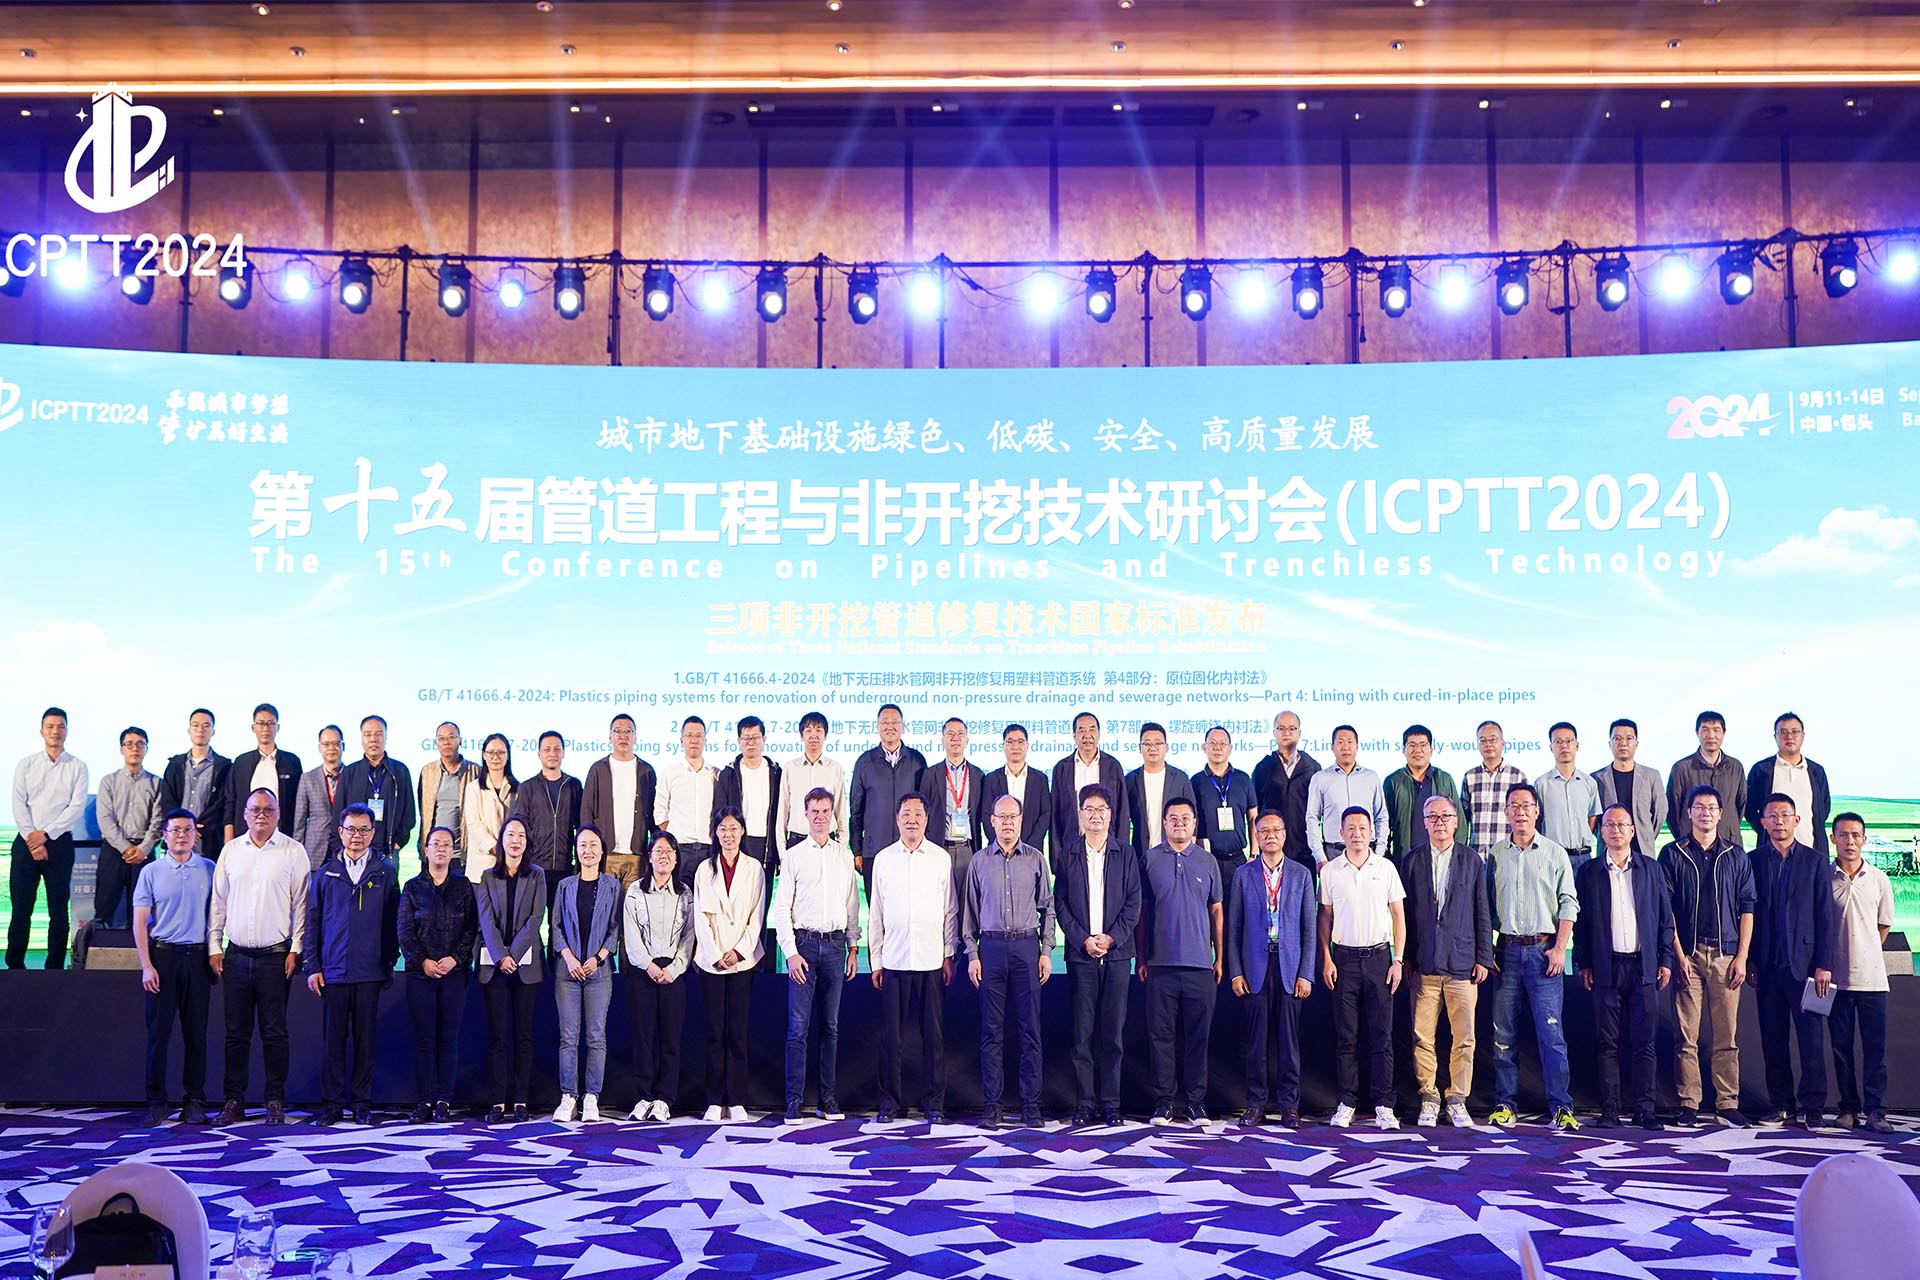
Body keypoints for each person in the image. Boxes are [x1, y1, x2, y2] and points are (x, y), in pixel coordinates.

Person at [208, 787, 309, 1125]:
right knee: (236, 1035)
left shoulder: (293, 851)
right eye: (255, 810)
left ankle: (274, 1100)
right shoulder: (231, 851)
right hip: (236, 956)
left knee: (274, 1033)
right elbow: (218, 901)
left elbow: (302, 905)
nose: (261, 815)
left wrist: (297, 948)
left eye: (268, 810)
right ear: (245, 814)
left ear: (278, 814)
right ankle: (233, 1101)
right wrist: (214, 945)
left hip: (276, 958)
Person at [1575, 804, 1677, 1130]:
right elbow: (1581, 923)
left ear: (1633, 831)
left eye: (1622, 824)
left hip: (1643, 966)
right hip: (1605, 967)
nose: (1616, 830)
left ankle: (1645, 1109)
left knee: (1644, 1043)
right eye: (1609, 825)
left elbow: (1665, 919)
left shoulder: (1651, 869)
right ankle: (1610, 1109)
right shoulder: (1589, 872)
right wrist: (1584, 962)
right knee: (1607, 1043)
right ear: (1601, 831)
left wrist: (1665, 959)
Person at [1660, 784, 1756, 1127]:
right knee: (1686, 1036)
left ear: (1720, 813)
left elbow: (1747, 908)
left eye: (1711, 807)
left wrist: (1741, 957)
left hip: (1726, 956)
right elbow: (1666, 910)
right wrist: (1678, 955)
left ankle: (1727, 1102)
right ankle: (1689, 1102)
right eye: (1699, 807)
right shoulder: (1672, 854)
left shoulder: (1736, 855)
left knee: (1726, 1037)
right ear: (1688, 812)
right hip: (1687, 954)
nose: (1705, 812)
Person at [1485, 782, 1580, 1131]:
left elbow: (1569, 902)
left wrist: (1559, 948)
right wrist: (1487, 949)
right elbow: (1485, 908)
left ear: (1537, 811)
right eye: (1514, 806)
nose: (1520, 812)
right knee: (1503, 1034)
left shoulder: (1555, 853)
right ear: (1506, 813)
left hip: (1544, 954)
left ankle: (1561, 1106)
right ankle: (1504, 1105)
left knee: (1551, 1035)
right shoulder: (1496, 854)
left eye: (1526, 806)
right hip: (1506, 953)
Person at [305, 802, 400, 1126]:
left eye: (363, 830)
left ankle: (361, 1103)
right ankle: (331, 1104)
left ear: (372, 834)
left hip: (369, 972)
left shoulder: (385, 873)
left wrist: (388, 962)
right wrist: (313, 966)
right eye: (351, 829)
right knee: (333, 1043)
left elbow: (392, 924)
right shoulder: (325, 873)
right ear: (340, 832)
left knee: (365, 1042)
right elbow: (313, 922)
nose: (356, 836)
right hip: (333, 972)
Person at [1399, 794, 1491, 1128]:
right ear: (1424, 823)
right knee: (1422, 1037)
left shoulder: (1472, 860)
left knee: (1464, 1038)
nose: (1439, 822)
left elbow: (1482, 911)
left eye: (1445, 816)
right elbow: (1404, 915)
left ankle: (1457, 1099)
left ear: (1456, 822)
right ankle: (1429, 1097)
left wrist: (1484, 957)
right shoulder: (1411, 861)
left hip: (1462, 964)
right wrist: (1405, 958)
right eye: (1432, 817)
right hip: (1424, 964)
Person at [964, 794, 1054, 1129]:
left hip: (1027, 949)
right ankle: (992, 1107)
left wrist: (1046, 950)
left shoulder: (1035, 859)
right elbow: (969, 914)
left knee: (1030, 1030)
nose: (1007, 823)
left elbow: (1048, 907)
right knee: (991, 1031)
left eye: (1012, 816)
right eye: (1001, 817)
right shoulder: (978, 862)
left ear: (1021, 819)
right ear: (991, 821)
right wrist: (972, 954)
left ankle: (1031, 1106)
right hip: (991, 949)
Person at [771, 787, 860, 1122]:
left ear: (833, 816)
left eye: (826, 811)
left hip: (836, 948)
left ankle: (828, 1099)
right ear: (805, 815)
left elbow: (852, 906)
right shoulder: (794, 856)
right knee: (798, 1028)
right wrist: (790, 953)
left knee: (831, 1028)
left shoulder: (843, 856)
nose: (820, 817)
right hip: (804, 947)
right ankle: (794, 1100)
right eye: (815, 811)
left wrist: (853, 947)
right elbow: (782, 909)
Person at [868, 792, 957, 1123]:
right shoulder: (884, 859)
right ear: (897, 819)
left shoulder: (939, 859)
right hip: (894, 961)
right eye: (906, 814)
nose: (912, 820)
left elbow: (950, 910)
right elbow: (876, 913)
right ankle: (889, 1103)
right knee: (891, 1039)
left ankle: (934, 1103)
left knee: (933, 1038)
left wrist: (948, 954)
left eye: (918, 814)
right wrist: (876, 960)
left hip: (931, 960)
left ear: (927, 819)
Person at [1054, 783, 1140, 1127]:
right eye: (1088, 809)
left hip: (1116, 956)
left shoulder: (1126, 853)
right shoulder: (1068, 854)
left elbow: (1134, 902)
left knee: (1113, 1036)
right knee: (1082, 1035)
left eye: (1101, 809)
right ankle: (1085, 1103)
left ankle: (1111, 1105)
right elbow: (1060, 904)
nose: (1095, 815)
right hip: (1081, 956)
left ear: (1111, 814)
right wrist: (1082, 940)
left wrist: (1112, 938)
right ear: (1080, 814)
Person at [1748, 793, 1834, 1127]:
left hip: (1806, 966)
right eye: (1772, 815)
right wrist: (1750, 960)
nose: (1779, 821)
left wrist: (1824, 964)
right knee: (1773, 1039)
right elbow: (1748, 913)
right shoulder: (1753, 861)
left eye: (1785, 815)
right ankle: (1781, 1104)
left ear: (1797, 820)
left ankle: (1813, 1107)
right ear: (1763, 822)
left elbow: (1825, 916)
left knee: (1811, 1041)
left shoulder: (1815, 861)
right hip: (1767, 966)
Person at [1319, 807, 1407, 1130]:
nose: (1357, 833)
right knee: (1346, 1036)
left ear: (1372, 833)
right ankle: (1347, 1103)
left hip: (1380, 959)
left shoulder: (1385, 868)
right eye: (1350, 828)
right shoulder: (1330, 871)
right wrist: (1326, 957)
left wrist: (1398, 960)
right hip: (1343, 960)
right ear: (1340, 833)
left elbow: (1398, 916)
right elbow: (1324, 917)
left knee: (1382, 1035)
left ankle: (1384, 1104)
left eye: (1362, 828)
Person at [1227, 810, 1316, 1128]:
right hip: (1255, 968)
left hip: (1290, 967)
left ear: (1285, 834)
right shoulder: (1243, 874)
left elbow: (1309, 928)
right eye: (1263, 831)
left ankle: (1290, 1106)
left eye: (1276, 830)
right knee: (1256, 1043)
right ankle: (1255, 1105)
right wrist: (1236, 971)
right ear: (1256, 835)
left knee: (1289, 1043)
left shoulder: (1302, 874)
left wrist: (1306, 973)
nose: (1270, 835)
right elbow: (1234, 927)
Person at [1140, 796, 1224, 1126]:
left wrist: (1219, 957)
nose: (1179, 823)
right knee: (1160, 1037)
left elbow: (1216, 910)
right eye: (1172, 818)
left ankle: (1195, 1103)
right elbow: (1142, 912)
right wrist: (1142, 956)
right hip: (1160, 964)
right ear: (1164, 823)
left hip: (1200, 965)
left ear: (1194, 824)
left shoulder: (1207, 861)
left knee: (1198, 1038)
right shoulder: (1149, 859)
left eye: (1185, 818)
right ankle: (1164, 1103)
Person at [132, 808, 216, 1126]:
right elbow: (140, 922)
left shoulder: (209, 868)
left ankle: (194, 1101)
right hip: (163, 958)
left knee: (197, 1034)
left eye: (188, 830)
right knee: (159, 1034)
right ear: (164, 836)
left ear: (196, 834)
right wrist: (146, 965)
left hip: (198, 958)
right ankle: (156, 1102)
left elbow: (219, 915)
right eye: (175, 830)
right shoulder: (151, 872)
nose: (182, 835)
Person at [398, 825, 477, 1124]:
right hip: (421, 976)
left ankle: (444, 1100)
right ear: (426, 850)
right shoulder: (412, 887)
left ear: (453, 851)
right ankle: (424, 1101)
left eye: (446, 844)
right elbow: (405, 932)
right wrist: (424, 962)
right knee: (424, 1040)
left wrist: (454, 959)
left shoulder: (463, 886)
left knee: (448, 1039)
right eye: (435, 844)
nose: (441, 849)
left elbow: (471, 928)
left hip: (454, 975)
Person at [693, 807, 765, 1122]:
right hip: (712, 962)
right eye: (723, 828)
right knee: (714, 1032)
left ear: (742, 832)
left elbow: (757, 916)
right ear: (715, 833)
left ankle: (736, 1099)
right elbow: (700, 918)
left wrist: (738, 952)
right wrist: (715, 953)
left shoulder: (754, 868)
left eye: (734, 828)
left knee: (737, 1032)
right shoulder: (704, 869)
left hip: (742, 961)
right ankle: (714, 1099)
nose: (728, 834)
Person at [1827, 812, 1895, 1133]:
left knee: (1874, 1051)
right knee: (1841, 1049)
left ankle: (1876, 1111)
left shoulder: (1879, 879)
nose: (1850, 841)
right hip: (1835, 980)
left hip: (1872, 980)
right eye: (1843, 835)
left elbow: (1883, 925)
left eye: (1855, 835)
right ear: (1833, 839)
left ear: (1864, 839)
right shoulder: (1824, 877)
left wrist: (1865, 951)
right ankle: (1848, 1109)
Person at [477, 814, 546, 1124]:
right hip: (494, 966)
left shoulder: (537, 876)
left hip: (525, 967)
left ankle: (520, 1101)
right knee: (497, 1037)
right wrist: (501, 956)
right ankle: (497, 1101)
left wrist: (513, 956)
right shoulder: (487, 877)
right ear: (501, 841)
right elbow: (486, 920)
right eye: (510, 835)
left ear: (526, 842)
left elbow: (536, 919)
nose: (515, 840)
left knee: (524, 1035)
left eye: (520, 835)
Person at [552, 825, 622, 1124]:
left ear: (602, 850)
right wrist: (569, 958)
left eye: (594, 844)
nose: (588, 850)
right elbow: (555, 926)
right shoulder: (565, 885)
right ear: (576, 850)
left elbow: (615, 929)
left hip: (599, 971)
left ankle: (592, 1096)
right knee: (568, 1038)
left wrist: (598, 958)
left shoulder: (612, 886)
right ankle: (569, 1096)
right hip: (567, 971)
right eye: (583, 845)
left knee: (596, 1037)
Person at [623, 832, 695, 1122]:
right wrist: (649, 966)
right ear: (649, 857)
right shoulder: (635, 891)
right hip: (643, 971)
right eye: (658, 851)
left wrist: (674, 969)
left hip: (673, 973)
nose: (664, 856)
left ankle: (665, 1098)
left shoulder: (685, 894)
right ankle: (643, 1096)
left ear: (676, 859)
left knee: (670, 1039)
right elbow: (631, 936)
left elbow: (689, 937)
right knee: (643, 1038)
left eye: (669, 852)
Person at [10, 707, 88, 971]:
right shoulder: (26, 764)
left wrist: (45, 834)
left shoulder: (78, 766)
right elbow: (18, 804)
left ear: (67, 730)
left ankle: (54, 967)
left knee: (58, 911)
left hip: (59, 844)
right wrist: (32, 839)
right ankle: (15, 966)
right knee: (21, 909)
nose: (56, 731)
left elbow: (75, 807)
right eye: (50, 726)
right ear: (41, 731)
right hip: (26, 843)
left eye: (61, 726)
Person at [96, 724, 163, 931]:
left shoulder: (157, 782)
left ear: (147, 748)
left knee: (142, 911)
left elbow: (158, 820)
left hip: (144, 853)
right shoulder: (109, 781)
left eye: (140, 744)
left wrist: (143, 849)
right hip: (113, 851)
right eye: (129, 744)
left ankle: (140, 950)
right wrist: (125, 848)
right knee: (104, 908)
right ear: (121, 749)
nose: (135, 748)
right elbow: (105, 819)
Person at [851, 704, 928, 883]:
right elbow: (856, 810)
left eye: (894, 722)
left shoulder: (917, 761)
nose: (890, 726)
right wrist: (857, 850)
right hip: (874, 851)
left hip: (910, 850)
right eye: (885, 722)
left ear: (902, 727)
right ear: (878, 727)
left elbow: (925, 808)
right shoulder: (864, 762)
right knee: (875, 901)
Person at [580, 712, 656, 890]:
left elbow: (654, 812)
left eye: (628, 731)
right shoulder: (598, 769)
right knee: (605, 904)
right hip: (606, 854)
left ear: (635, 736)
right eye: (618, 731)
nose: (623, 736)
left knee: (633, 905)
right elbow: (586, 811)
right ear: (610, 737)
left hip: (636, 855)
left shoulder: (646, 771)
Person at [512, 730, 581, 922]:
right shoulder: (527, 787)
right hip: (534, 867)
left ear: (563, 753)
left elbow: (581, 827)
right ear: (539, 754)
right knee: (529, 921)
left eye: (557, 749)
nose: (552, 754)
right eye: (547, 749)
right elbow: (520, 828)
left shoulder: (574, 786)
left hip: (565, 868)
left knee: (559, 923)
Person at [1745, 713, 1831, 855]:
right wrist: (1766, 829)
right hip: (1772, 852)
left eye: (1795, 731)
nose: (1789, 736)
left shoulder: (1816, 771)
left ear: (1803, 736)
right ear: (1775, 737)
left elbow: (1824, 808)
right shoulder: (1761, 770)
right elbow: (1749, 809)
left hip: (1811, 850)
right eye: (1783, 732)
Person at [922, 717, 987, 902]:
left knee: (968, 903)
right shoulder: (930, 774)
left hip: (968, 848)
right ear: (942, 740)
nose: (955, 738)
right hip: (940, 846)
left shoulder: (978, 775)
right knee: (938, 900)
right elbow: (923, 812)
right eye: (950, 734)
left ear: (967, 740)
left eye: (960, 734)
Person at [1050, 712, 1129, 860]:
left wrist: (1121, 853)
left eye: (1092, 729)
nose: (1087, 735)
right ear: (1074, 736)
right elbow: (1055, 816)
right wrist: (1057, 857)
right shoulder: (1061, 769)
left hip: (1107, 849)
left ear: (1099, 734)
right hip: (1071, 849)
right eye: (1082, 730)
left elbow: (1122, 812)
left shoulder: (1113, 766)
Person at [1303, 725, 1387, 864]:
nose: (1345, 747)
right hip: (1333, 853)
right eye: (1340, 742)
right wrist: (1320, 858)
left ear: (1357, 746)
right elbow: (1312, 818)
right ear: (1332, 747)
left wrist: (1379, 854)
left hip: (1368, 852)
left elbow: (1381, 816)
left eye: (1350, 742)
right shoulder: (1320, 778)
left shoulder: (1371, 777)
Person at [336, 715, 415, 860]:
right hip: (354, 849)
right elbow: (339, 812)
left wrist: (399, 841)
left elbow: (409, 812)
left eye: (379, 734)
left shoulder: (400, 771)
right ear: (361, 739)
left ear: (386, 737)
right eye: (368, 735)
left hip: (388, 850)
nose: (373, 739)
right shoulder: (349, 772)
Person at [1192, 727, 1258, 899]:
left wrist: (1253, 855)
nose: (1217, 747)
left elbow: (1253, 818)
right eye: (1212, 743)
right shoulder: (1195, 781)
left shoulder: (1243, 779)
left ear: (1230, 749)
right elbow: (1191, 821)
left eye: (1222, 743)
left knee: (1239, 908)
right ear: (1204, 748)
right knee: (1210, 908)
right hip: (1207, 859)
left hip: (1238, 859)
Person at [1250, 710, 1321, 869]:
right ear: (1274, 733)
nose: (1286, 733)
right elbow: (1256, 811)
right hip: (1271, 851)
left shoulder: (1313, 768)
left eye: (1292, 728)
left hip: (1305, 851)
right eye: (1281, 728)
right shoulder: (1262, 768)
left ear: (1299, 733)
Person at [713, 715, 781, 877]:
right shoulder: (728, 774)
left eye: (755, 737)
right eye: (746, 738)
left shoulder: (776, 773)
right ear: (739, 741)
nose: (751, 742)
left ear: (764, 739)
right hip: (738, 841)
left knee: (763, 891)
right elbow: (719, 812)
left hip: (768, 844)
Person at [1666, 711, 1747, 847]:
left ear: (1724, 733)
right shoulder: (1681, 768)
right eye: (1705, 730)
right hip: (1691, 845)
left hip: (1729, 843)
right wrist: (1684, 836)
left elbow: (1741, 804)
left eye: (1716, 730)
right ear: (1697, 733)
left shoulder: (1735, 767)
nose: (1711, 735)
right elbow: (1672, 810)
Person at [1382, 725, 1459, 866]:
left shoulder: (1444, 779)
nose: (1417, 750)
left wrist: (1456, 859)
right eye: (1412, 745)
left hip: (1441, 860)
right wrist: (1386, 858)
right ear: (1403, 750)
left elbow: (1459, 824)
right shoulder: (1393, 781)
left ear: (1431, 750)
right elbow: (1384, 823)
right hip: (1404, 860)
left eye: (1423, 745)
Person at [226, 703, 301, 845]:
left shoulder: (292, 762)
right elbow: (230, 802)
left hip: (282, 838)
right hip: (245, 839)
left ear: (278, 727)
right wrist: (229, 842)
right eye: (261, 723)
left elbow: (299, 805)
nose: (266, 728)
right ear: (253, 727)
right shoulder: (241, 762)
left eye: (270, 723)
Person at [654, 716, 716, 889]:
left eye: (698, 736)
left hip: (708, 849)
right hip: (679, 849)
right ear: (681, 740)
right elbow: (659, 811)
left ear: (705, 740)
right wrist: (673, 836)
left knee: (706, 899)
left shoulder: (716, 774)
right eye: (689, 736)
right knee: (678, 898)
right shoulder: (670, 773)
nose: (694, 740)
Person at [159, 709, 229, 858]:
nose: (200, 730)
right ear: (189, 730)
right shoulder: (175, 765)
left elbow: (221, 803)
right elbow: (167, 801)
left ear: (213, 731)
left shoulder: (224, 767)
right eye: (195, 725)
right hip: (176, 840)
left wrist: (195, 830)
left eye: (206, 726)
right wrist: (183, 828)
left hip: (208, 841)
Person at [1593, 719, 1667, 858]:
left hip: (1642, 850)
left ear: (1636, 743)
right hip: (1608, 851)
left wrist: (1646, 834)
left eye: (1629, 738)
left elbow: (1660, 812)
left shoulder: (1651, 776)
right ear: (1610, 744)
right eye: (1617, 738)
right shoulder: (1597, 778)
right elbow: (1594, 819)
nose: (1623, 743)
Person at [776, 710, 848, 849]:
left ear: (825, 736)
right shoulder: (790, 767)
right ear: (801, 736)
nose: (813, 735)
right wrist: (782, 851)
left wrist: (842, 846)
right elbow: (783, 810)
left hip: (828, 842)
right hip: (797, 841)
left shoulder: (834, 767)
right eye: (808, 730)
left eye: (818, 730)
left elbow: (841, 810)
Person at [1124, 721, 1193, 864]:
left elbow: (1193, 815)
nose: (1152, 748)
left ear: (1166, 747)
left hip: (1174, 853)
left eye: (1158, 743)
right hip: (1140, 852)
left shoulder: (1180, 778)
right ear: (1140, 748)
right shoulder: (1130, 780)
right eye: (1147, 744)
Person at [1534, 722, 1601, 870]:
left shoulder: (1589, 782)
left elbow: (1592, 818)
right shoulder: (1541, 783)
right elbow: (1537, 821)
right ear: (1551, 748)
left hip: (1583, 857)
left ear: (1577, 745)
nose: (1564, 746)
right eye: (1558, 742)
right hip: (1552, 857)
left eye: (1569, 741)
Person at [1461, 720, 1527, 858]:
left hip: (1509, 855)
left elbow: (1525, 818)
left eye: (1493, 739)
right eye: (1483, 740)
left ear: (1502, 743)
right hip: (1476, 855)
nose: (1488, 744)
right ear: (1478, 745)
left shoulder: (1517, 776)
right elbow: (1463, 818)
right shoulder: (1470, 777)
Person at [980, 722, 1051, 852]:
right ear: (1003, 746)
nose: (1015, 747)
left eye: (1020, 742)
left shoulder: (1040, 779)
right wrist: (1001, 844)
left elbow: (1045, 814)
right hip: (999, 851)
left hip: (1032, 850)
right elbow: (986, 814)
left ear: (1027, 745)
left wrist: (1029, 846)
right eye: (1010, 742)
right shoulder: (991, 779)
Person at [415, 721, 478, 867]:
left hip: (462, 854)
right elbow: (422, 809)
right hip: (433, 853)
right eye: (441, 738)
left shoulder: (475, 771)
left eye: (451, 737)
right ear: (436, 743)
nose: (446, 742)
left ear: (460, 740)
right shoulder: (427, 771)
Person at [461, 733, 518, 883]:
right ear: (484, 755)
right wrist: (496, 848)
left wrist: (508, 851)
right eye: (491, 752)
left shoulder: (518, 789)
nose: (495, 757)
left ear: (508, 756)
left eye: (501, 752)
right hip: (481, 864)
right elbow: (473, 824)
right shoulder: (473, 788)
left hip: (510, 864)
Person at [291, 724, 345, 872]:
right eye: (326, 744)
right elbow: (299, 821)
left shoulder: (352, 776)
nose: (331, 748)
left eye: (336, 743)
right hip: (315, 851)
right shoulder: (307, 778)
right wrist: (297, 854)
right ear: (320, 748)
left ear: (343, 746)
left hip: (345, 849)